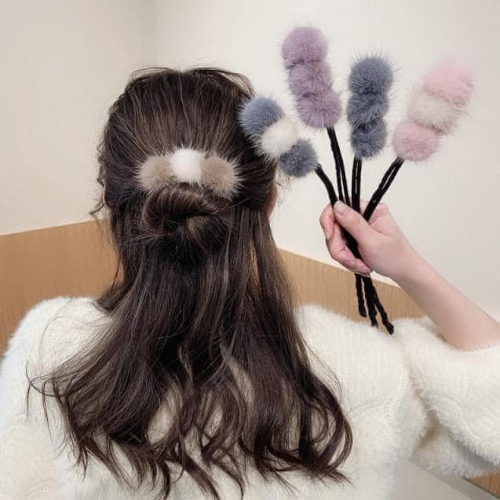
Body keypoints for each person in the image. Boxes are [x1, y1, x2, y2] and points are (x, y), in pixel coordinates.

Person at [0, 67, 499, 500]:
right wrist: (409, 267)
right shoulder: (355, 367)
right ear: (268, 202)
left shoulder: (49, 349)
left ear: (111, 205)